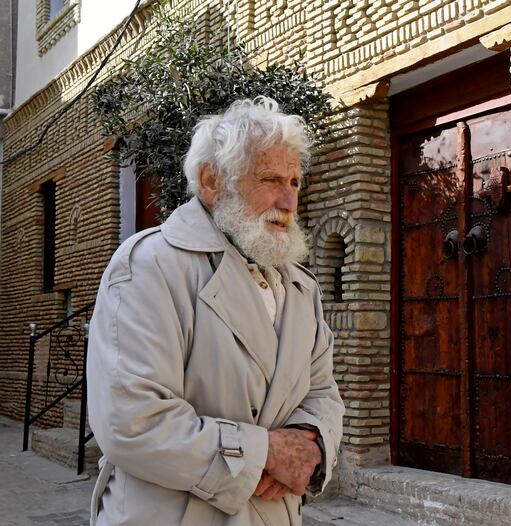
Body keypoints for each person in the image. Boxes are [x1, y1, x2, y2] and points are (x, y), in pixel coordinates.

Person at [87, 97, 345, 526]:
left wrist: (311, 447)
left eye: (296, 182)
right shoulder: (149, 266)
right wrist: (266, 454)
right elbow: (130, 420)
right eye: (271, 179)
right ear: (211, 181)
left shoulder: (302, 287)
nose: (289, 201)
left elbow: (323, 394)